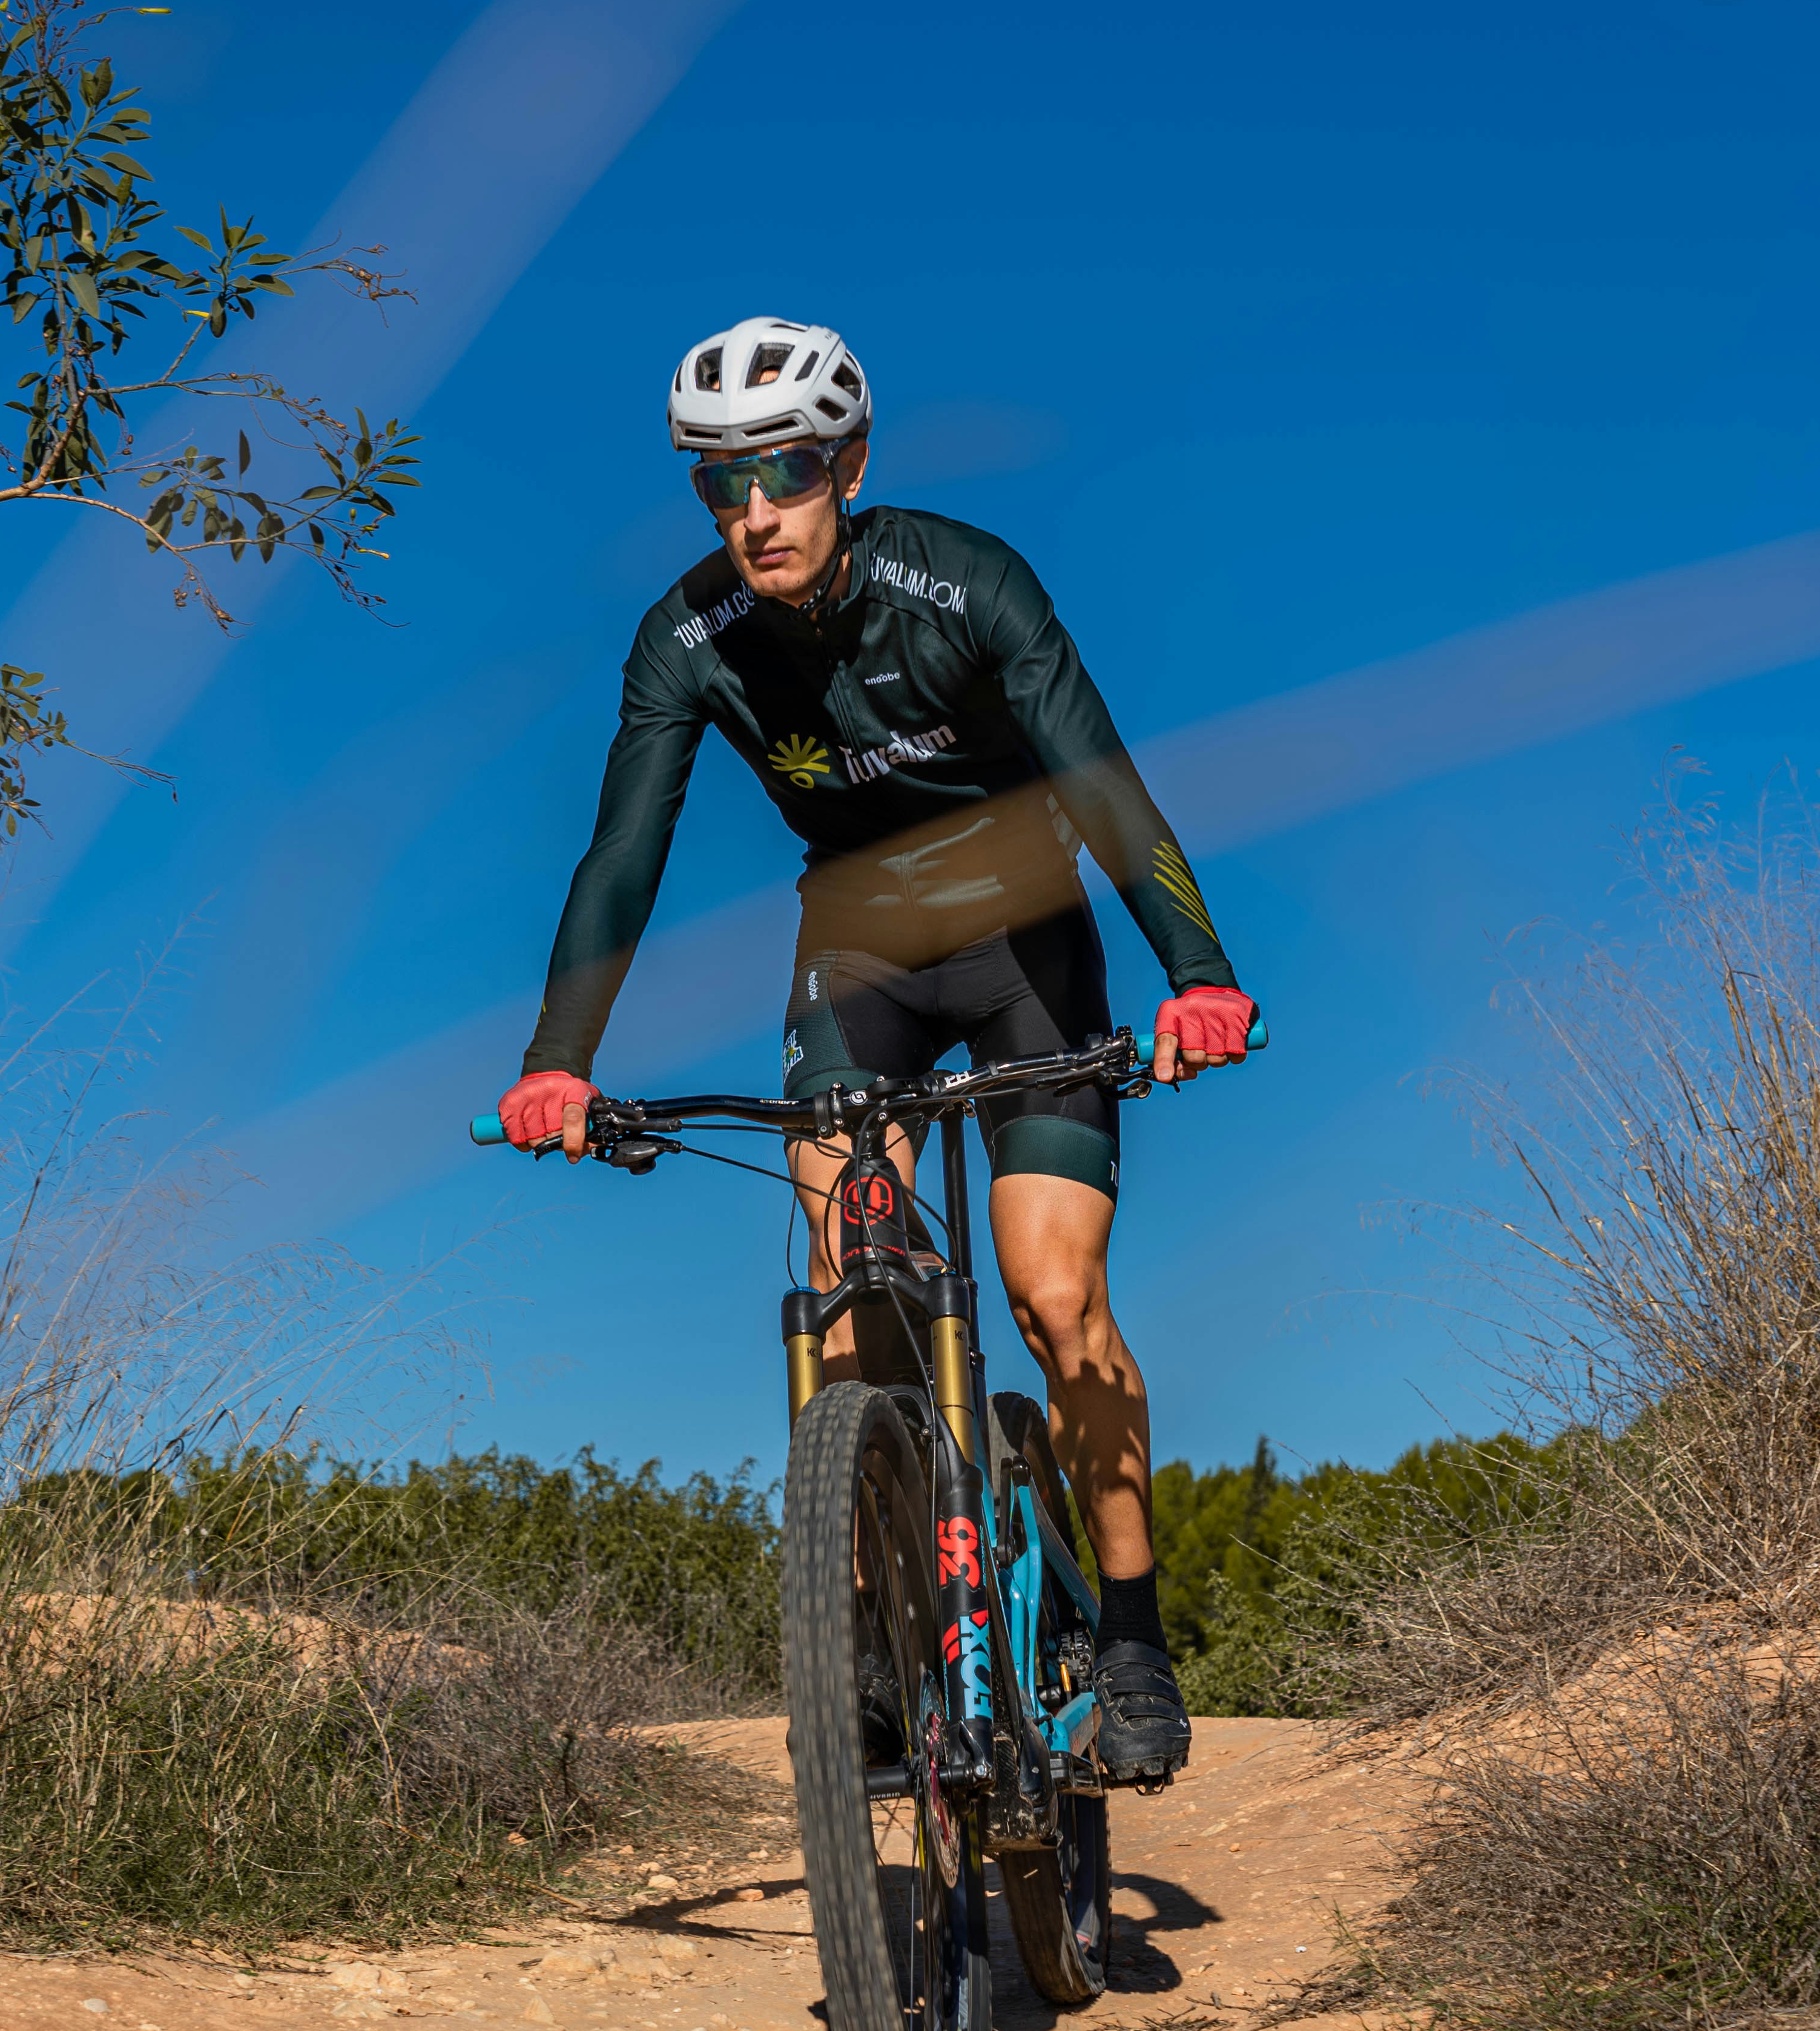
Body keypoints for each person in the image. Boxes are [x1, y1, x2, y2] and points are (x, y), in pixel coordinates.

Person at [492, 315, 1255, 1784]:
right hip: (854, 962)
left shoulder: (963, 583)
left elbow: (1101, 784)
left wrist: (1198, 977)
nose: (753, 513)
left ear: (843, 463)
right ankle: (868, 1642)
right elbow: (621, 853)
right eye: (719, 487)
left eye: (780, 472)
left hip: (1030, 945)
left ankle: (1136, 1637)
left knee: (1049, 1290)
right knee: (847, 1306)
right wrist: (557, 1060)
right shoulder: (686, 638)